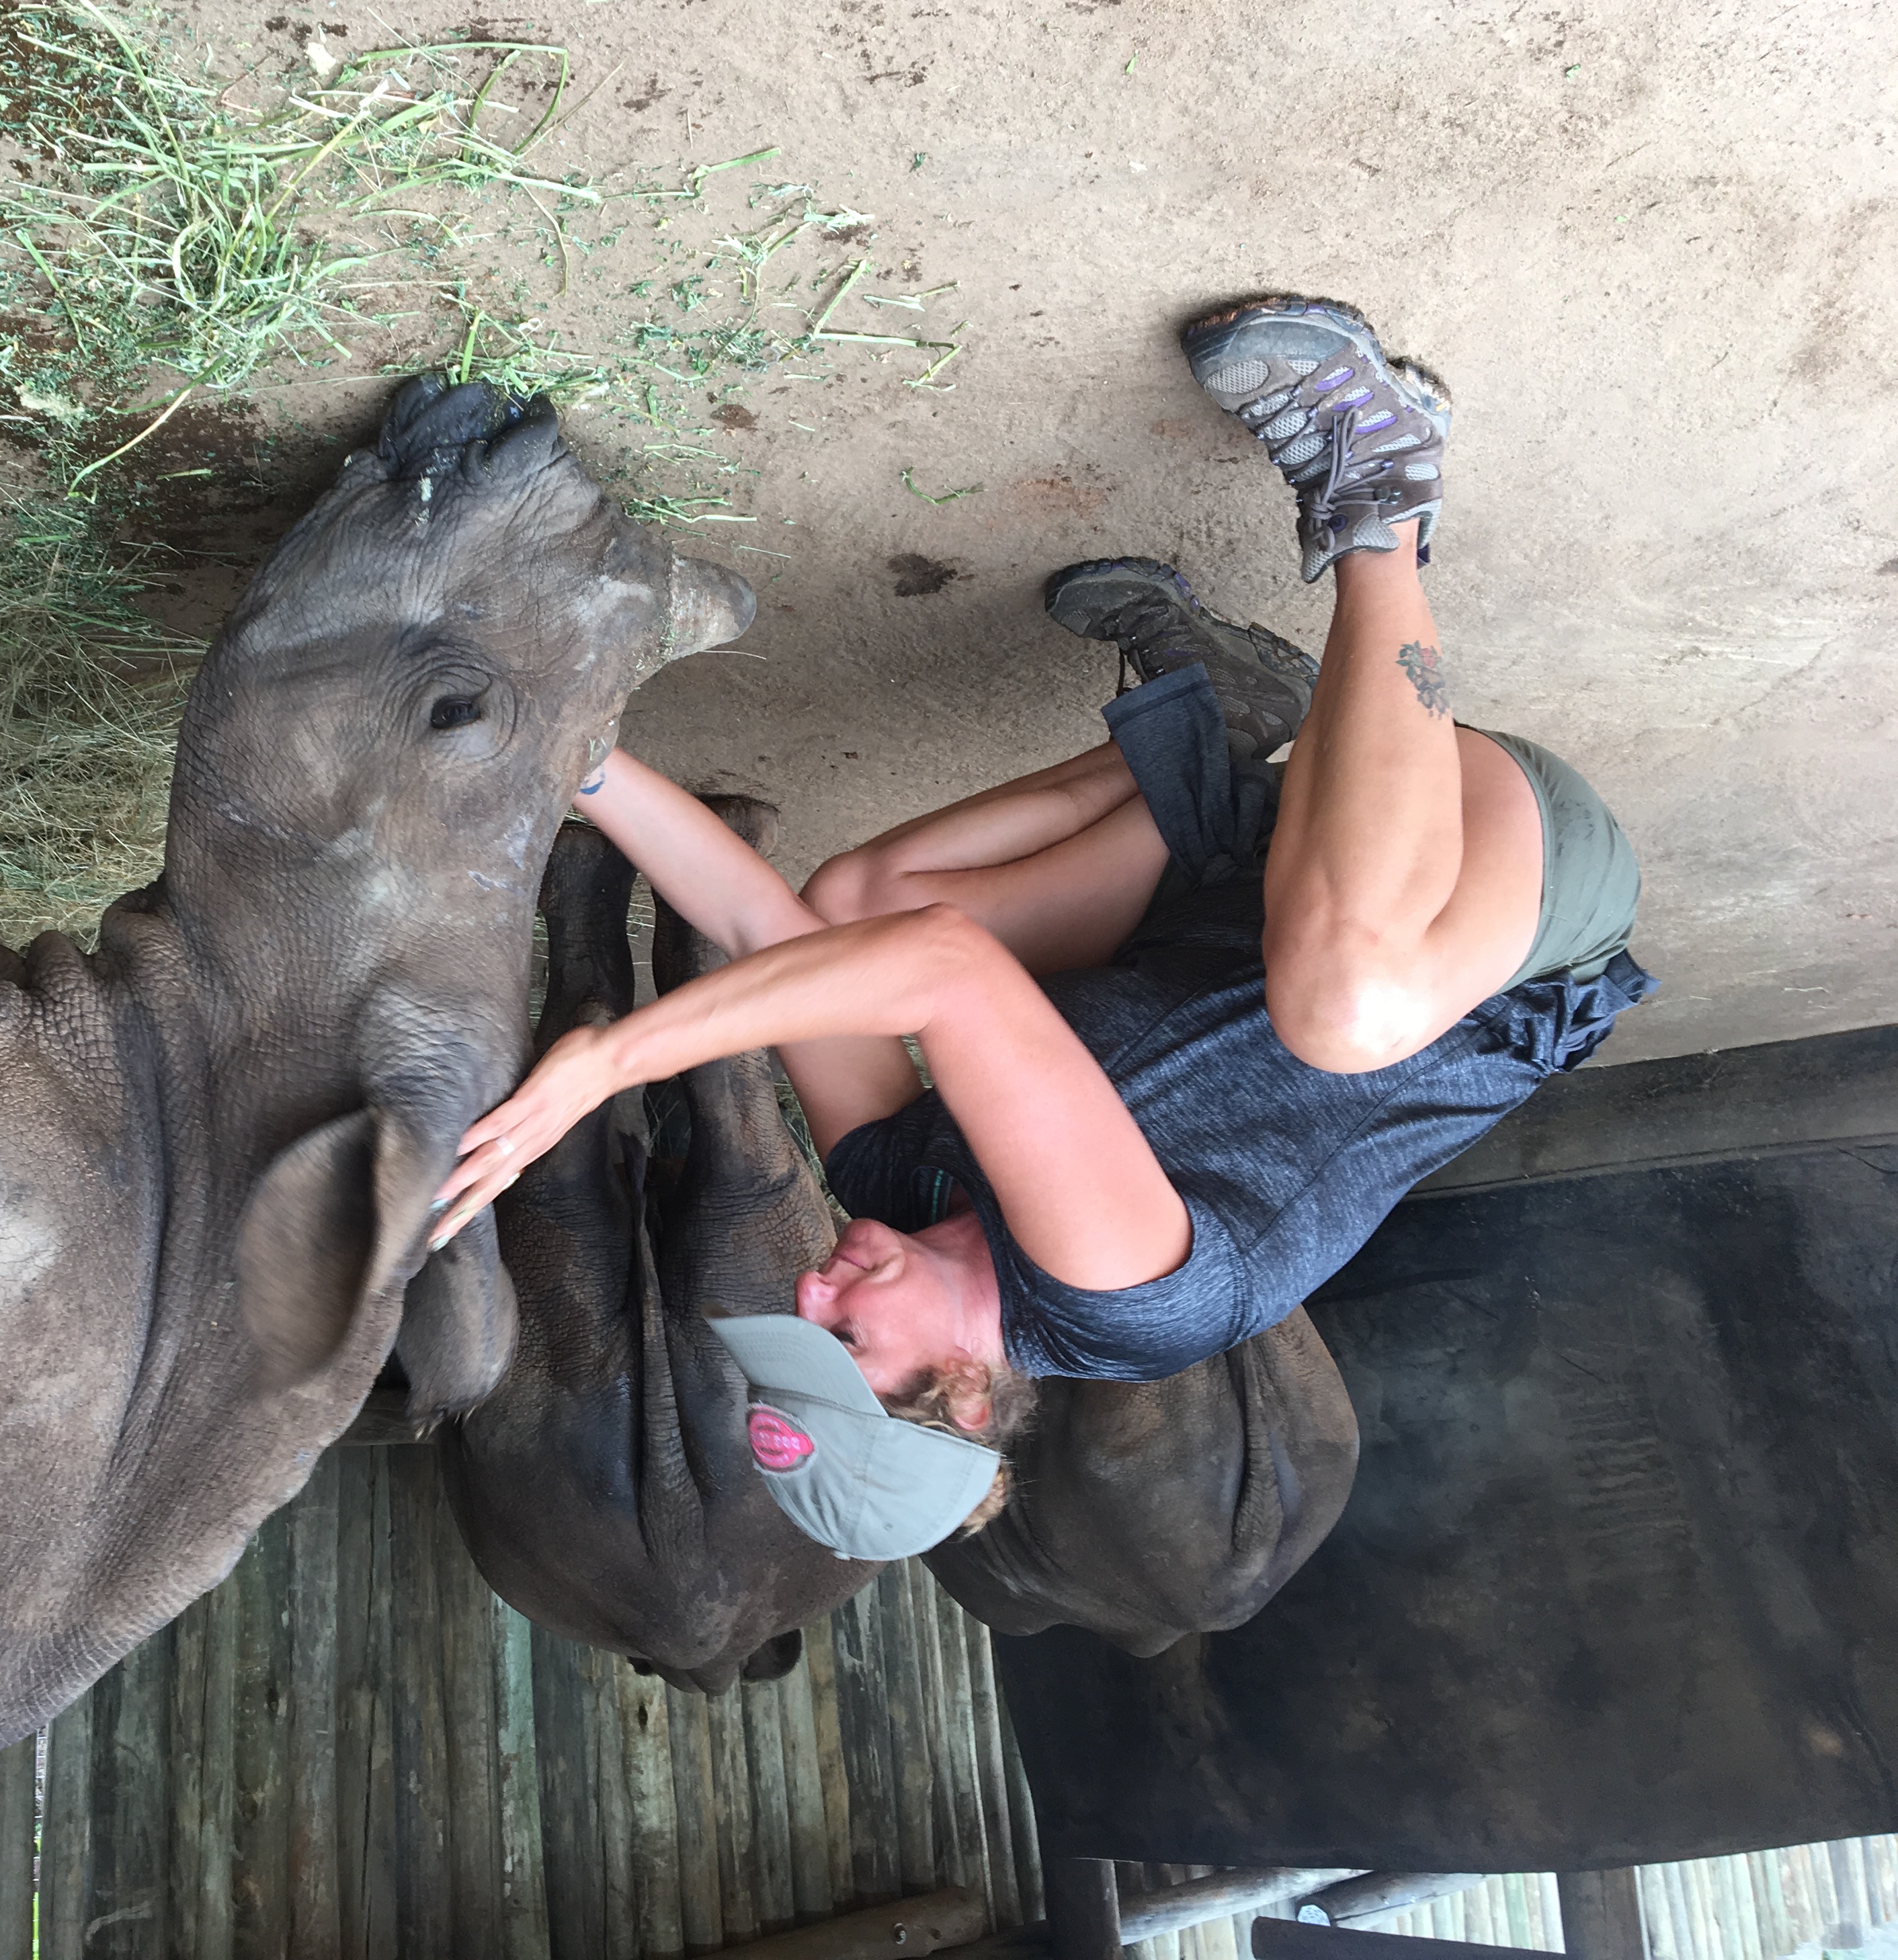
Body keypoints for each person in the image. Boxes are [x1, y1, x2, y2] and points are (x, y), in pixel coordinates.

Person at [428, 296, 1653, 1554]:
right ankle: (1382, 496)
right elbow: (952, 977)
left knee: (850, 919)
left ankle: (1230, 710)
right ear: (965, 1389)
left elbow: (758, 919)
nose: (807, 1287)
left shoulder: (895, 1185)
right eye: (842, 1337)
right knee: (1346, 1011)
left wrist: (562, 749)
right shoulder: (1119, 1303)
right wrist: (614, 1059)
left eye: (801, 1325)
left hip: (1272, 876)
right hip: (1487, 898)